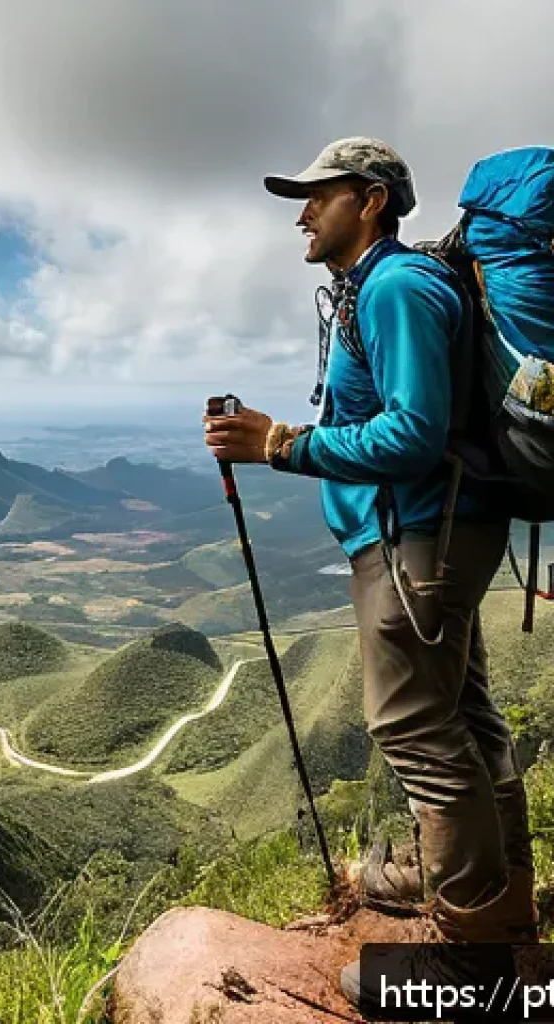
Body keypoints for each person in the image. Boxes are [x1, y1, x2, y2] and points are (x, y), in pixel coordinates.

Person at [202, 138, 537, 997]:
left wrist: (281, 443)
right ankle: (498, 908)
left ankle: (470, 962)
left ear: (374, 200)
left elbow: (413, 433)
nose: (303, 211)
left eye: (321, 194)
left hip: (417, 538)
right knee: (465, 718)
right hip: (430, 532)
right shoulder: (380, 288)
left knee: (414, 729)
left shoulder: (394, 287)